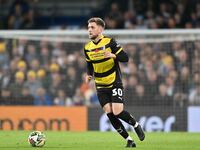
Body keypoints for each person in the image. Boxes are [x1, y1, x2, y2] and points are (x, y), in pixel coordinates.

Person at [84, 17, 145, 148]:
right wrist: (89, 75)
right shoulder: (87, 48)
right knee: (109, 112)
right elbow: (89, 63)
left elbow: (126, 57)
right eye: (88, 27)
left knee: (117, 112)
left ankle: (136, 125)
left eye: (92, 27)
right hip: (100, 85)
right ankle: (129, 140)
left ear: (100, 29)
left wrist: (113, 56)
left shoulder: (110, 42)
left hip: (114, 81)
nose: (89, 30)